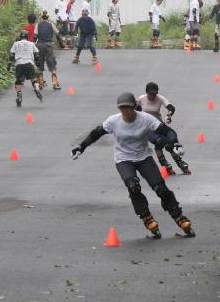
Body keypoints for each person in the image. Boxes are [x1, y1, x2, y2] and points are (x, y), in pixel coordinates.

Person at [71, 92, 195, 238]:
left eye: (128, 108)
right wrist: (81, 147)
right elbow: (96, 133)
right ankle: (147, 218)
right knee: (133, 186)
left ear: (134, 106)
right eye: (122, 108)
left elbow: (168, 131)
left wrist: (175, 143)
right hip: (123, 159)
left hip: (144, 157)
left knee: (160, 188)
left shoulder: (146, 119)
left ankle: (179, 217)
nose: (125, 111)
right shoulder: (113, 121)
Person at [137, 82, 191, 175]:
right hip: (146, 128)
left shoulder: (160, 98)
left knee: (171, 137)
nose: (152, 96)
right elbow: (135, 112)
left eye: (154, 94)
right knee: (159, 142)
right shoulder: (141, 99)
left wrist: (169, 115)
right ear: (146, 93)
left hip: (158, 124)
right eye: (150, 94)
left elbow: (171, 108)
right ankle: (165, 164)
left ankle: (179, 162)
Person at [9, 30, 42, 107]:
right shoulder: (31, 44)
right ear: (27, 37)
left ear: (20, 36)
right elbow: (37, 55)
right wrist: (38, 64)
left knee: (18, 81)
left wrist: (9, 65)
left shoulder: (16, 43)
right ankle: (36, 88)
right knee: (33, 78)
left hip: (19, 64)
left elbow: (11, 56)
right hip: (29, 63)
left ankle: (19, 95)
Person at [34, 11, 61, 90]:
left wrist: (34, 45)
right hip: (49, 45)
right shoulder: (51, 24)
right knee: (51, 63)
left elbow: (35, 36)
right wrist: (60, 42)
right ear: (47, 17)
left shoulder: (38, 25)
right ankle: (55, 83)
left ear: (42, 18)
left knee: (40, 63)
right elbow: (57, 33)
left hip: (39, 45)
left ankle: (41, 82)